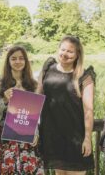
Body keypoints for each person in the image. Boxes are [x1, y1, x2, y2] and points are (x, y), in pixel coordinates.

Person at [37, 36, 95, 175]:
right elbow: (37, 96)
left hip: (75, 139)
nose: (65, 54)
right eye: (63, 49)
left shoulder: (84, 76)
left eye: (70, 51)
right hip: (53, 135)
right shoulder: (48, 68)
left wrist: (87, 138)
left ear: (77, 55)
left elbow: (88, 110)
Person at [0, 46, 44, 175]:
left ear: (26, 61)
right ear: (8, 61)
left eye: (21, 58)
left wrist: (36, 133)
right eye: (13, 58)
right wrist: (4, 100)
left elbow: (37, 115)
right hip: (5, 141)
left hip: (28, 141)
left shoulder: (34, 85)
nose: (18, 61)